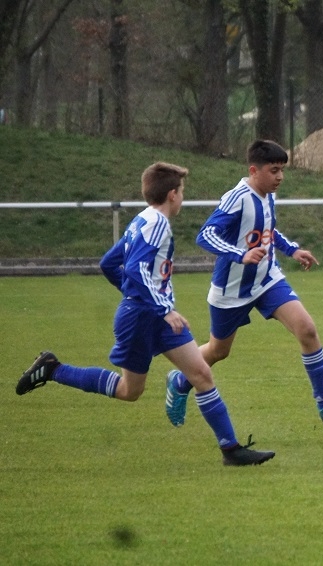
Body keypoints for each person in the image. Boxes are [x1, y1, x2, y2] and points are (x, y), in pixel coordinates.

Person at [15, 162, 274, 467]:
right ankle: (54, 369)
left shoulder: (143, 219)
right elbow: (136, 268)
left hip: (152, 313)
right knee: (129, 391)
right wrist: (158, 306)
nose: (183, 198)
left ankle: (231, 450)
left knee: (201, 374)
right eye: (182, 191)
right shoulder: (157, 224)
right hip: (143, 317)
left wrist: (140, 297)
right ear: (172, 194)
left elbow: (109, 263)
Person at [164, 140, 323, 428]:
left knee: (306, 329)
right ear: (254, 171)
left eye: (282, 170)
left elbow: (267, 230)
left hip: (267, 280)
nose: (280, 177)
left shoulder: (268, 195)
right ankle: (180, 381)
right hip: (232, 290)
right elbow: (205, 235)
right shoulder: (238, 198)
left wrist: (292, 250)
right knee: (218, 351)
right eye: (274, 170)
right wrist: (240, 255)